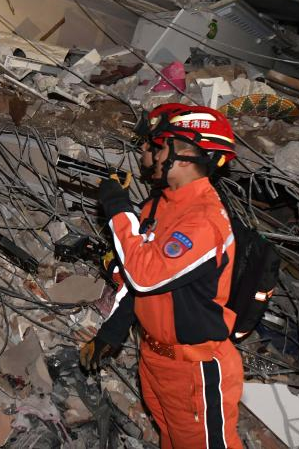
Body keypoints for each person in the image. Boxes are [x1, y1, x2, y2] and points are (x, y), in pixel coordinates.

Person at [82, 103, 243, 449]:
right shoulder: (160, 205)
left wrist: (117, 206)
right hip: (156, 360)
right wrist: (111, 332)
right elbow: (136, 283)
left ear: (184, 154)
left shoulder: (204, 220)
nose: (147, 152)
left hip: (194, 368)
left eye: (157, 145)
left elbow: (144, 274)